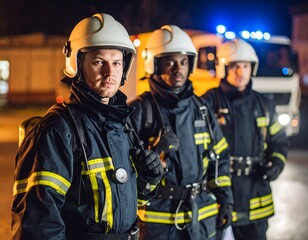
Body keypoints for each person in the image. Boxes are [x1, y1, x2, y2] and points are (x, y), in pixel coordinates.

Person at [11, 13, 163, 240]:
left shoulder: (123, 126)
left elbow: (123, 204)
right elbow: (39, 226)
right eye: (98, 62)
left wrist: (147, 180)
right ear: (77, 65)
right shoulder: (58, 130)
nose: (109, 73)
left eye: (116, 63)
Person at [129, 25, 234, 240]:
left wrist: (226, 199)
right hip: (157, 220)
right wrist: (154, 152)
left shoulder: (202, 110)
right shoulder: (140, 111)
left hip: (201, 215)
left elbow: (220, 159)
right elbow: (123, 171)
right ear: (154, 64)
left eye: (184, 62)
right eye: (170, 62)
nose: (178, 69)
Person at [201, 38, 288, 240]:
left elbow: (279, 142)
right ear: (223, 68)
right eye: (235, 67)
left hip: (255, 195)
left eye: (245, 66)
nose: (241, 73)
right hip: (217, 194)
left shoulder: (264, 104)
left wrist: (275, 164)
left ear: (252, 68)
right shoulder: (206, 103)